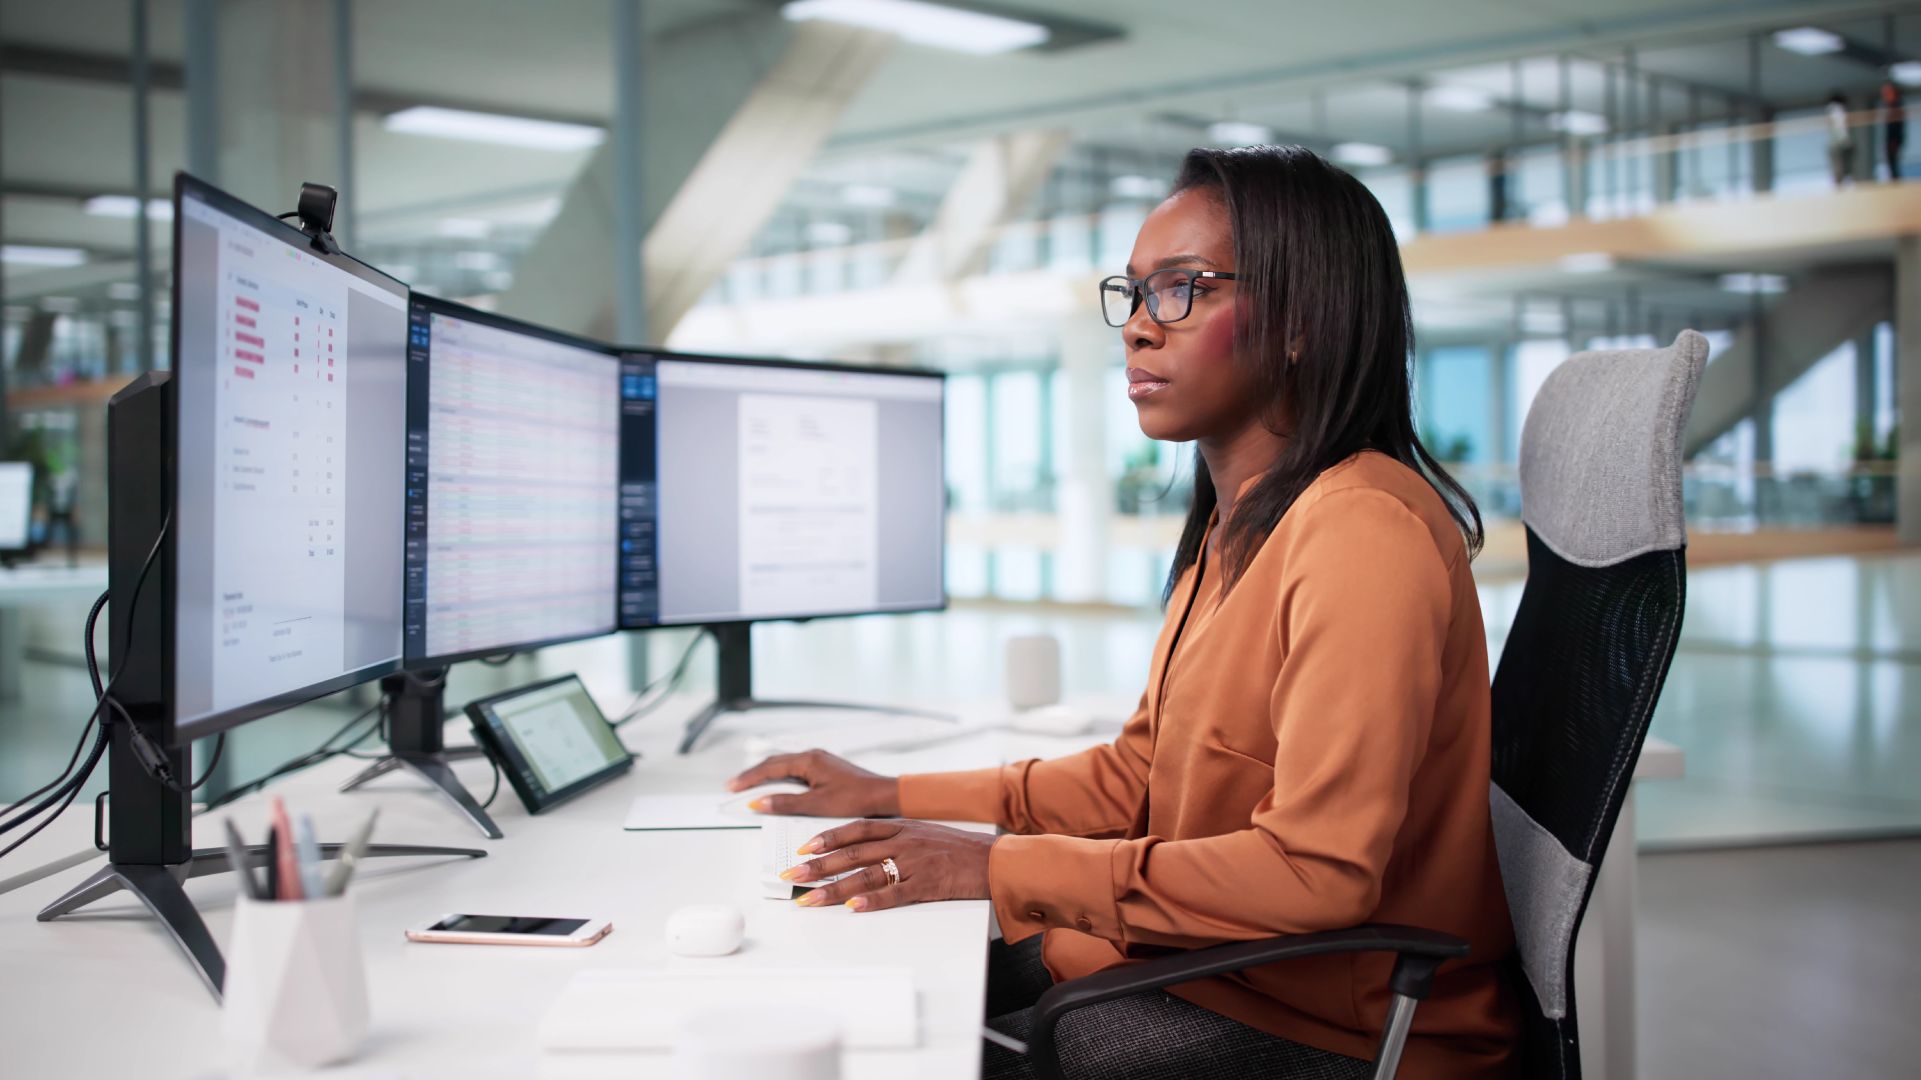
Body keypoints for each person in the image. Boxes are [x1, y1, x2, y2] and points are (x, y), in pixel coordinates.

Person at [728, 145, 1518, 1079]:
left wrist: (991, 866)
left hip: (1324, 1025)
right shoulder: (1240, 528)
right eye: (1134, 293)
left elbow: (1318, 875)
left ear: (1302, 320)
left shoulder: (1359, 532)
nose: (1139, 329)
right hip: (1214, 964)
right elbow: (1134, 779)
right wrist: (890, 797)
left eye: (1183, 289)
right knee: (872, 994)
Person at [1826, 91, 1854, 187]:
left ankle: (1839, 187)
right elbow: (1840, 127)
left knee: (1838, 169)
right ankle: (1840, 188)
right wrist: (1846, 142)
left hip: (1834, 143)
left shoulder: (1830, 109)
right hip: (1839, 144)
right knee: (1840, 168)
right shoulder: (1837, 109)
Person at [1884, 80, 1907, 181]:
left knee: (1893, 162)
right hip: (1891, 139)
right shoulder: (1890, 107)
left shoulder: (1897, 106)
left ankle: (1896, 182)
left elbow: (1897, 126)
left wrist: (1895, 140)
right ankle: (1894, 180)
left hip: (1894, 139)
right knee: (1891, 162)